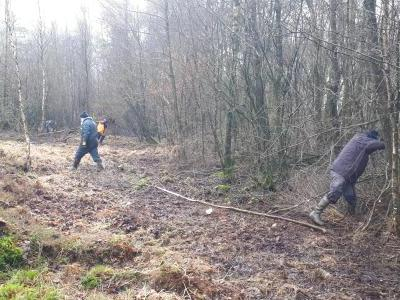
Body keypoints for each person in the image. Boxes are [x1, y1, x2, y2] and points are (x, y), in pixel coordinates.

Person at [310, 129, 385, 226]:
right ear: (372, 138)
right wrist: (386, 143)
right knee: (335, 191)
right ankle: (316, 212)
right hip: (341, 172)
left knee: (351, 197)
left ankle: (351, 218)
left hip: (348, 176)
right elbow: (374, 145)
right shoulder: (362, 140)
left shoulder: (360, 139)